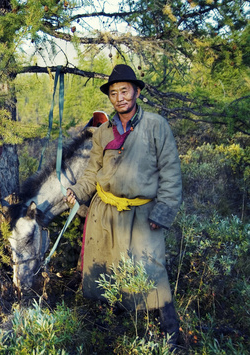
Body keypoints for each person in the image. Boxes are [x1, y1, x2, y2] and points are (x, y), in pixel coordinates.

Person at [65, 64, 182, 346]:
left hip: (143, 214)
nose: (120, 98)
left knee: (152, 270)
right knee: (108, 270)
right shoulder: (103, 132)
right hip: (105, 213)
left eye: (125, 91)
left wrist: (163, 211)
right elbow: (93, 171)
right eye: (114, 93)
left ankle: (173, 337)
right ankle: (116, 335)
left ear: (137, 91)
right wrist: (78, 192)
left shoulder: (156, 125)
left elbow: (171, 171)